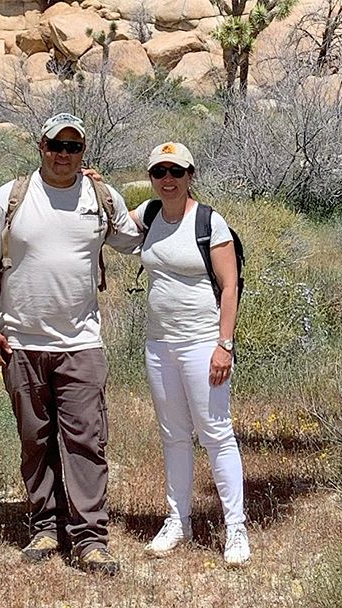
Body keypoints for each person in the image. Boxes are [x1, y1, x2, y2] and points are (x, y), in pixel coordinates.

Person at [0, 113, 142, 576]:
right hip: (21, 341)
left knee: (86, 439)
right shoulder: (9, 199)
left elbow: (131, 239)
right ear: (40, 147)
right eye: (55, 145)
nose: (64, 155)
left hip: (81, 341)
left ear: (84, 151)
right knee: (35, 439)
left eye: (73, 146)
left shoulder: (99, 197)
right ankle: (45, 525)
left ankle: (89, 538)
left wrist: (172, 195)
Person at [130, 142, 250, 566]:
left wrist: (224, 344)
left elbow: (229, 285)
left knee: (216, 434)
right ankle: (178, 521)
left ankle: (235, 529)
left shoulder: (208, 222)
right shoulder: (147, 215)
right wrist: (94, 188)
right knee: (174, 435)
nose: (167, 180)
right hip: (160, 344)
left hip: (203, 344)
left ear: (190, 175)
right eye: (159, 172)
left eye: (175, 172)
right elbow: (109, 228)